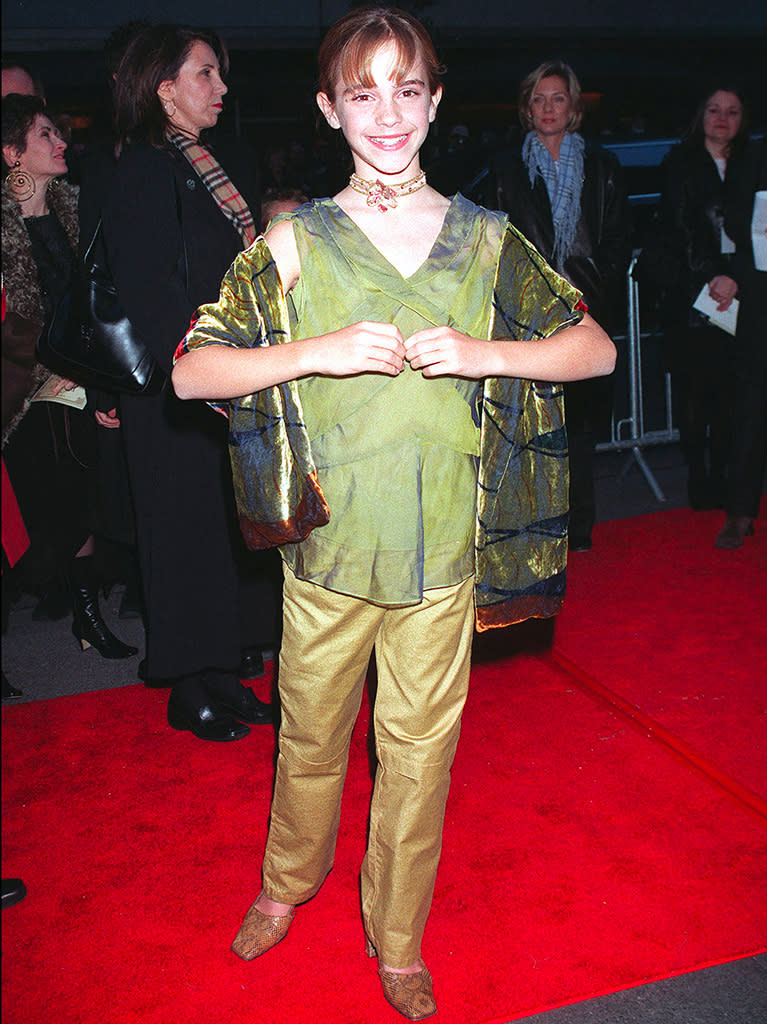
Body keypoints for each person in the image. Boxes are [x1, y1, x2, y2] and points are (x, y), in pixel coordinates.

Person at [172, 7, 615, 1019]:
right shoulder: (296, 240)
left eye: (406, 88)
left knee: (421, 761)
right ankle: (287, 881)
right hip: (328, 552)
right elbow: (192, 371)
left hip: (443, 554)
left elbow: (595, 350)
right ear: (330, 109)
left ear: (434, 102)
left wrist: (488, 351)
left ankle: (400, 935)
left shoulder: (486, 237)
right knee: (311, 738)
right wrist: (309, 350)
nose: (387, 113)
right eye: (362, 91)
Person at [102, 24, 276, 740]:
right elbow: (147, 289)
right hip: (178, 382)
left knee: (225, 529)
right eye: (207, 74)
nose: (222, 88)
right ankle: (189, 685)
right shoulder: (142, 167)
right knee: (183, 535)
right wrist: (202, 366)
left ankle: (223, 671)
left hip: (225, 374)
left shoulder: (217, 162)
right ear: (164, 88)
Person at [2, 93, 137, 658]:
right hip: (18, 392)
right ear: (12, 154)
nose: (62, 143)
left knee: (84, 504)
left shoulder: (77, 211)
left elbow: (99, 302)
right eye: (45, 136)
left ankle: (89, 620)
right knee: (32, 523)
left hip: (78, 382)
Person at [486, 60, 631, 550]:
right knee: (532, 428)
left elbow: (616, 243)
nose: (549, 107)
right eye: (539, 99)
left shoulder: (603, 167)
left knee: (581, 431)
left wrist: (593, 299)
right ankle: (539, 529)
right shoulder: (505, 168)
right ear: (528, 108)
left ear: (573, 108)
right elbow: (495, 242)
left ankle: (580, 529)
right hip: (528, 318)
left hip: (588, 311)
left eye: (559, 98)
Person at [646, 85, 748, 510]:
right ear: (700, 114)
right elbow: (681, 228)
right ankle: (699, 480)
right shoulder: (679, 163)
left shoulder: (752, 165)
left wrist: (737, 278)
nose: (722, 118)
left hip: (739, 294)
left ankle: (724, 476)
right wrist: (713, 277)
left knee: (731, 392)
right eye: (713, 109)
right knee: (693, 392)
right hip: (692, 294)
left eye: (732, 111)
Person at [715, 70, 767, 548]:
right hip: (764, 304)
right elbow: (736, 219)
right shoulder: (763, 150)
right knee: (750, 412)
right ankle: (740, 513)